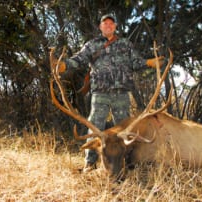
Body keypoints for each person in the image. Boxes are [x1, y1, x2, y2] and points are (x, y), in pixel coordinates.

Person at [55, 14, 164, 171]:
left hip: (121, 93)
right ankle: (90, 163)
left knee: (124, 131)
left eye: (111, 23)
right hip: (100, 93)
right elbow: (79, 59)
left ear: (115, 27)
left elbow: (136, 62)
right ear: (100, 27)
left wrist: (148, 62)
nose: (108, 26)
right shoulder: (92, 45)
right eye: (105, 23)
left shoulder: (125, 44)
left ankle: (124, 162)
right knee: (95, 126)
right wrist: (64, 65)